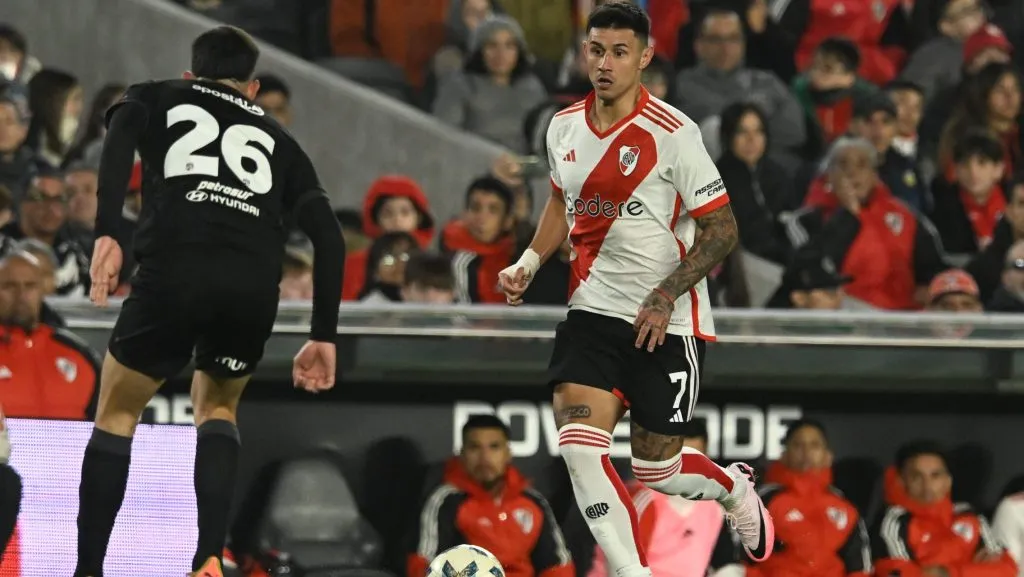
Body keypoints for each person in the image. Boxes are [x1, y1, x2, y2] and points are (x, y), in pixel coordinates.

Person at [497, 5, 774, 577]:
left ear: (644, 57)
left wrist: (665, 293)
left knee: (658, 470)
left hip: (664, 323)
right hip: (592, 313)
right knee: (578, 446)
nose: (605, 63)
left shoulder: (676, 134)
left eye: (620, 52)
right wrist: (529, 258)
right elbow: (558, 200)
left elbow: (723, 232)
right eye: (596, 50)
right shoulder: (563, 126)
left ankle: (732, 489)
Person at [75, 26, 345, 577]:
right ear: (253, 88)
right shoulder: (282, 141)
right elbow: (332, 239)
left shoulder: (155, 94)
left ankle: (87, 570)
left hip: (176, 268)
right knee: (218, 409)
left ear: (190, 76)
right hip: (250, 286)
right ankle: (208, 557)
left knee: (119, 411)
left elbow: (121, 133)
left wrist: (108, 232)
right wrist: (323, 334)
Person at [409, 415, 574, 577]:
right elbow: (424, 565)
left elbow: (557, 566)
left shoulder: (532, 501)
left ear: (508, 453)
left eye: (494, 447)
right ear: (462, 454)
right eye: (475, 447)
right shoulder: (446, 501)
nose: (484, 457)